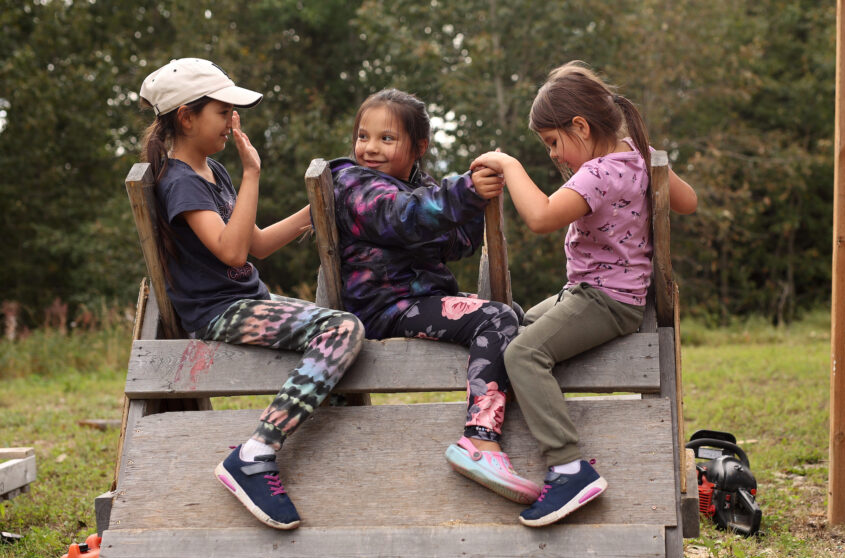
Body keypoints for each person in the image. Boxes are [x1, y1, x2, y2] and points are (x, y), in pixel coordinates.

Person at [139, 58, 365, 530]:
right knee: (342, 328)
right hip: (218, 312)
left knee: (346, 346)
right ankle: (256, 453)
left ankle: (340, 494)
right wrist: (253, 173)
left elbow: (256, 243)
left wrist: (318, 206)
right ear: (186, 116)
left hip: (249, 301)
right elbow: (232, 250)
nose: (232, 122)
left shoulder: (209, 171)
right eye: (222, 112)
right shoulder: (179, 182)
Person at [471, 61, 698, 527]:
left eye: (553, 142)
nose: (553, 154)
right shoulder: (638, 155)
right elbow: (688, 201)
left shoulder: (599, 173)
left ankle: (568, 467)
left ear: (580, 126)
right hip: (599, 293)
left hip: (604, 299)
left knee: (522, 354)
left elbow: (540, 217)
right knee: (518, 322)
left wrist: (510, 164)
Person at [325, 88, 541, 504]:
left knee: (510, 314)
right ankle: (480, 440)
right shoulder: (352, 184)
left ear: (418, 147)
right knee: (497, 319)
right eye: (363, 136)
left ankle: (526, 421)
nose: (370, 148)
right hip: (383, 305)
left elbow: (457, 244)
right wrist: (463, 191)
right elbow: (400, 217)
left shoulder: (420, 187)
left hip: (416, 299)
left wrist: (473, 201)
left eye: (387, 139)